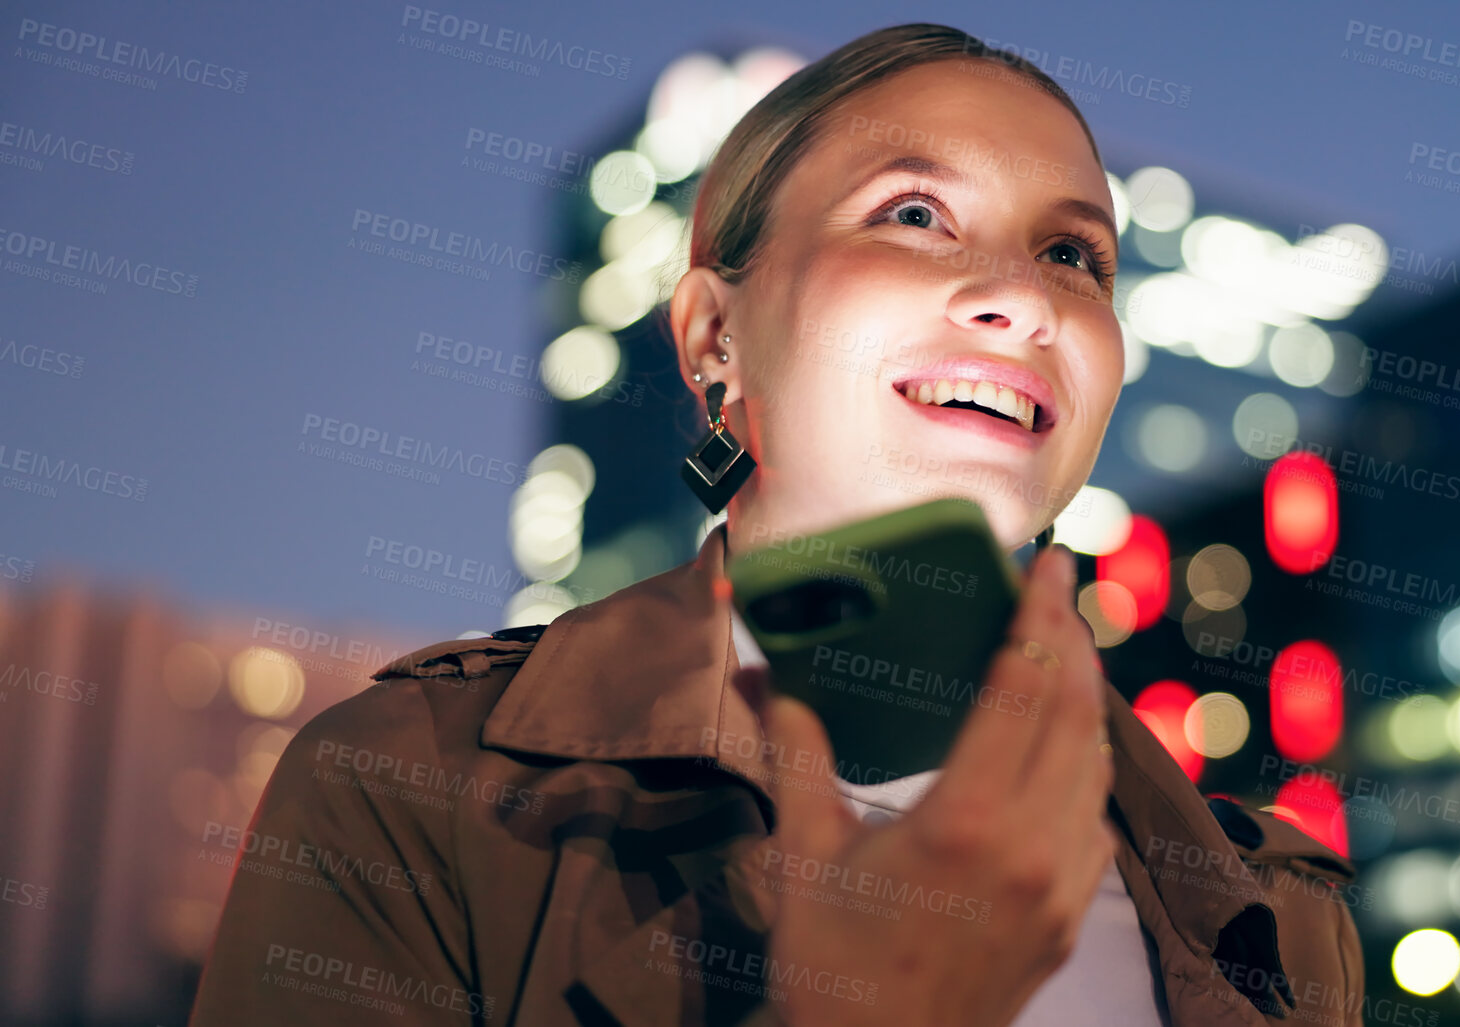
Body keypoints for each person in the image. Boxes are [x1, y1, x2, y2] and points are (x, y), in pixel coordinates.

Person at [188, 22, 1364, 1027]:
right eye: (912, 212)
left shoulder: (1281, 916)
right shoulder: (402, 791)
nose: (1025, 301)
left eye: (1073, 255)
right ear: (713, 337)